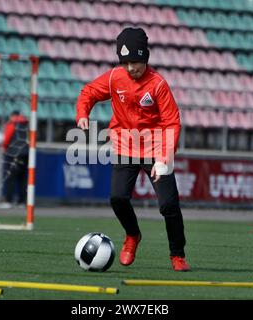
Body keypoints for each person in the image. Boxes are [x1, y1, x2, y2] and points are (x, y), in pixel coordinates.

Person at [75, 27, 190, 271]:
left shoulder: (158, 85)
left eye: (135, 61)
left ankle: (177, 254)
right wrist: (82, 113)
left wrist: (164, 157)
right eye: (125, 62)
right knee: (117, 198)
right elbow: (89, 92)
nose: (130, 68)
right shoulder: (114, 77)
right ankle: (132, 235)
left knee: (168, 205)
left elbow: (172, 122)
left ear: (145, 58)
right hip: (124, 145)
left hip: (157, 150)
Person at [0, 111, 29, 209]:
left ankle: (8, 200)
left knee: (9, 177)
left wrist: (3, 146)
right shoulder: (27, 124)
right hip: (25, 154)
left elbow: (7, 136)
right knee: (22, 178)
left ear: (12, 116)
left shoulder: (12, 123)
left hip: (12, 153)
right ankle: (22, 201)